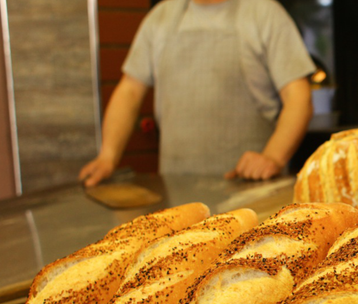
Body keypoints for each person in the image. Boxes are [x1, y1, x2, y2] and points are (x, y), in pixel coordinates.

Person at [79, 0, 315, 187]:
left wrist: (272, 157)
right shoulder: (161, 18)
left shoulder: (265, 13)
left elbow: (299, 98)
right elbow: (129, 91)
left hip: (252, 191)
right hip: (176, 192)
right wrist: (108, 156)